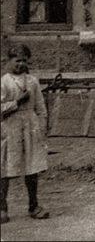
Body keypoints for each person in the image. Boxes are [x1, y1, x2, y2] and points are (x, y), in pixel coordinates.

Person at [1, 44, 49, 224]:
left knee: (32, 166)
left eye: (24, 61)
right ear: (9, 61)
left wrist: (42, 130)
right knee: (5, 167)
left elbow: (41, 108)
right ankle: (2, 208)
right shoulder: (3, 82)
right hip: (9, 127)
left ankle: (33, 206)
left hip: (31, 126)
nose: (20, 64)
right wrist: (16, 102)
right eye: (17, 60)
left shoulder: (32, 81)